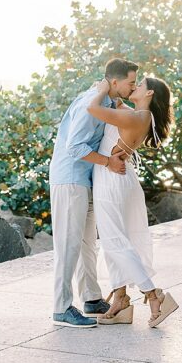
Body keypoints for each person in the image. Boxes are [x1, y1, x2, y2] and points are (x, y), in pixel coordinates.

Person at [50, 57, 137, 329]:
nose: (133, 87)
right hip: (69, 179)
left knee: (87, 242)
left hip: (85, 179)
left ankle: (90, 298)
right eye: (130, 82)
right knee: (68, 243)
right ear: (114, 81)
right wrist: (108, 162)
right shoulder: (93, 103)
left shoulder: (107, 102)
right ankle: (61, 307)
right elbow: (74, 146)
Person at [88, 75, 180, 328]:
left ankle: (154, 295)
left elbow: (93, 109)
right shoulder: (139, 116)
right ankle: (120, 301)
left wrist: (103, 87)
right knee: (114, 241)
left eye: (140, 85)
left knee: (114, 240)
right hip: (122, 177)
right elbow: (116, 107)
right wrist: (115, 89)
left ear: (149, 94)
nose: (135, 87)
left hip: (111, 179)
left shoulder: (136, 117)